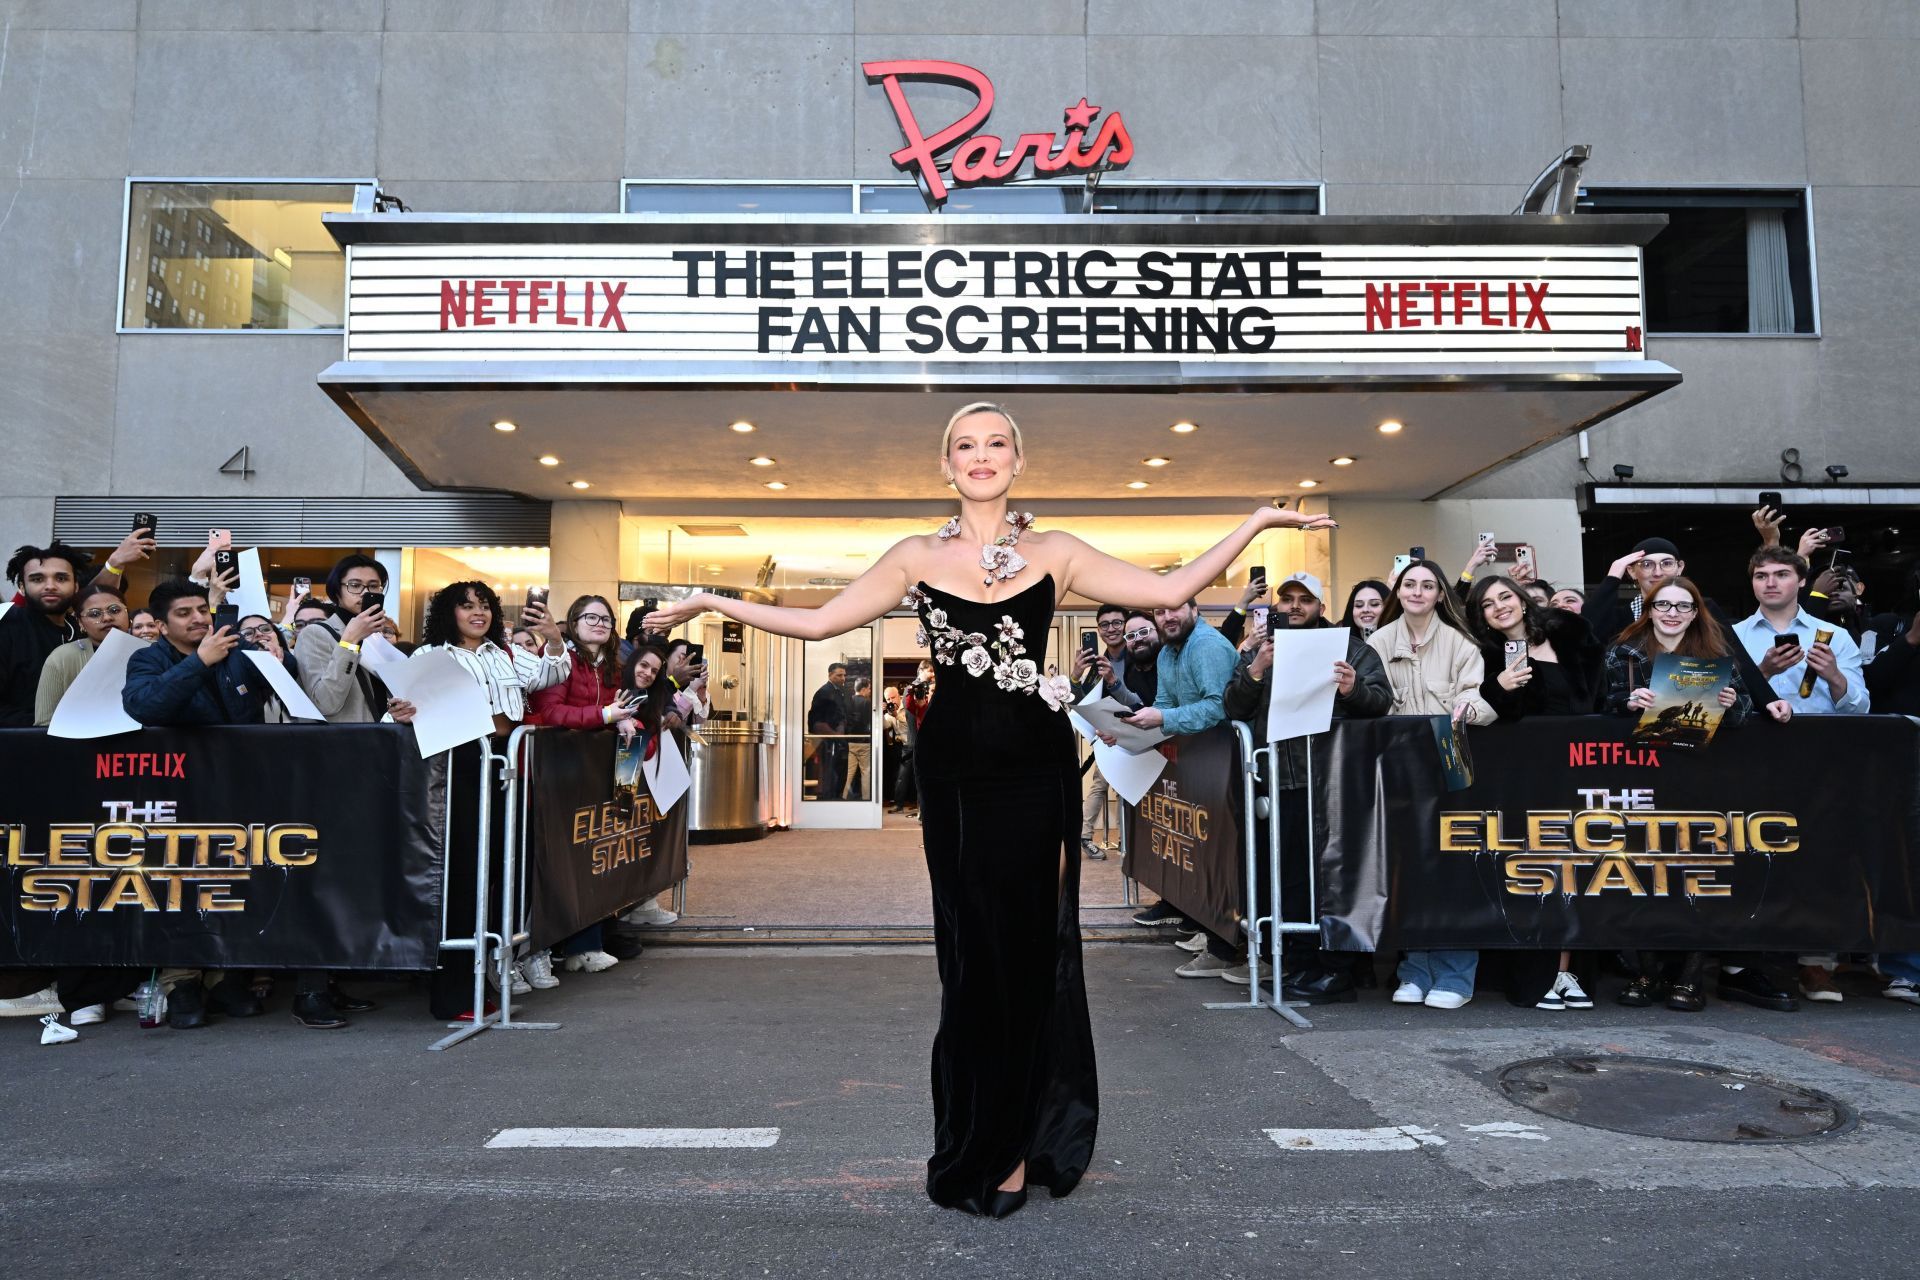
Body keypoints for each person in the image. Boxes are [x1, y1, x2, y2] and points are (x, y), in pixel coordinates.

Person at [639, 400, 1335, 1217]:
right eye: (964, 445)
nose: (980, 456)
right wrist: (715, 603)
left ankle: (1025, 1137)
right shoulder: (914, 556)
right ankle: (986, 1141)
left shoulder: (1057, 551)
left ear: (1017, 460)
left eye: (995, 443)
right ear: (946, 464)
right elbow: (820, 619)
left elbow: (1174, 587)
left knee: (1031, 948)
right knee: (974, 955)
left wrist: (1253, 522)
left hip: (1035, 769)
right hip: (957, 772)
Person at [1603, 577, 1774, 1014]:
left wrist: (1732, 701)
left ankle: (1691, 976)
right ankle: (1647, 972)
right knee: (1641, 874)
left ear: (1696, 611)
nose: (1673, 613)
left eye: (1683, 605)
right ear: (1650, 608)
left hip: (1702, 777)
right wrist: (1627, 702)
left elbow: (1742, 716)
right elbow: (1601, 705)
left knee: (1698, 875)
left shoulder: (1717, 653)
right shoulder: (1623, 651)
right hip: (1641, 775)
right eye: (1664, 604)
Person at [1221, 572, 1391, 1003]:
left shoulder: (1349, 646)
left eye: (1305, 600)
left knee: (1330, 878)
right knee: (1288, 879)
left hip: (1331, 782)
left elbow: (1380, 701)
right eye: (1288, 599)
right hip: (1278, 781)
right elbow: (1232, 707)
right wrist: (1255, 671)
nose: (1295, 606)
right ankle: (1298, 965)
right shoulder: (1262, 648)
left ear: (1320, 605)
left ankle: (1337, 971)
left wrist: (1352, 689)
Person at [119, 576, 280, 1030]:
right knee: (181, 883)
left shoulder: (237, 654)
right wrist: (198, 664)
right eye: (184, 614)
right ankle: (181, 981)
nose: (197, 619)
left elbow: (279, 697)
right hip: (179, 792)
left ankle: (225, 977)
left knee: (233, 881)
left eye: (201, 610)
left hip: (237, 788)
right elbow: (145, 706)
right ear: (163, 625)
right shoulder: (147, 658)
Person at [1731, 546, 1869, 1003]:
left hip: (1818, 761)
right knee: (1751, 857)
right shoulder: (1732, 636)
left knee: (1819, 861)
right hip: (1753, 760)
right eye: (1761, 575)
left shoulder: (1834, 635)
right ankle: (1745, 960)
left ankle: (1816, 966)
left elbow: (1860, 707)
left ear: (1799, 581)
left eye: (1781, 574)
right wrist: (1761, 674)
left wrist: (1834, 677)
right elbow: (1714, 702)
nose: (1770, 582)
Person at [1465, 574, 1608, 1011]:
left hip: (1585, 767)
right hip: (1528, 777)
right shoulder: (1486, 656)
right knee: (1540, 873)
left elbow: (1599, 692)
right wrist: (1501, 686)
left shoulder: (1571, 630)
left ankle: (1571, 972)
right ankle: (1540, 975)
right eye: (1488, 604)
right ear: (1482, 618)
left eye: (1505, 596)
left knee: (1586, 870)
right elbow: (1486, 715)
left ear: (1523, 599)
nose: (1500, 606)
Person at [1370, 560, 1496, 1010]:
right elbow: (1371, 700)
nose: (1419, 592)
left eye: (1428, 585)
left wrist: (1463, 709)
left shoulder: (1462, 643)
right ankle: (1414, 971)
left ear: (1441, 593)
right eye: (1410, 585)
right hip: (1400, 763)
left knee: (1454, 868)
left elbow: (1479, 699)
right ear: (1398, 592)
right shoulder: (1378, 642)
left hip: (1451, 756)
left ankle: (1456, 977)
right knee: (1408, 869)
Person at [526, 595, 640, 980]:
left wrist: (623, 724)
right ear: (572, 622)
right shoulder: (559, 658)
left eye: (606, 618)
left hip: (597, 771)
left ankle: (586, 944)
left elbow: (620, 709)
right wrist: (604, 716)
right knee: (561, 859)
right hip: (559, 771)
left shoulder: (614, 665)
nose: (599, 623)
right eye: (590, 617)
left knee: (597, 852)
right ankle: (551, 947)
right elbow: (550, 712)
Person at [294, 555, 395, 725]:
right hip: (343, 743)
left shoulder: (377, 637)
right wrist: (350, 641)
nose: (365, 592)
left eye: (373, 586)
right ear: (337, 591)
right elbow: (325, 703)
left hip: (381, 737)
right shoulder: (315, 634)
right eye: (355, 585)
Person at [2, 542, 90, 726]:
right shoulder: (7, 627)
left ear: (75, 586)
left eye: (61, 578)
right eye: (37, 579)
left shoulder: (83, 629)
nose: (50, 586)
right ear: (22, 587)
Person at [1070, 604, 1131, 860]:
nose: (1111, 629)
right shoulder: (1096, 664)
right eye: (1105, 625)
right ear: (1098, 630)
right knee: (1100, 784)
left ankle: (1133, 843)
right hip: (1107, 737)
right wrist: (1075, 677)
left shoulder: (1138, 656)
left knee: (1132, 790)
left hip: (1139, 732)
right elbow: (1081, 702)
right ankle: (1084, 836)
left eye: (1117, 623)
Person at [33, 584, 130, 726]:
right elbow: (45, 722)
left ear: (127, 613)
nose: (107, 618)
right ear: (80, 622)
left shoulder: (150, 651)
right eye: (95, 614)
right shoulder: (62, 658)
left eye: (115, 610)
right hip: (77, 745)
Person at [808, 662, 851, 800]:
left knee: (840, 774)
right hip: (828, 742)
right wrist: (836, 735)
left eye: (844, 675)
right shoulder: (823, 693)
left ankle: (835, 800)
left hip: (839, 740)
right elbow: (817, 722)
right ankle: (829, 801)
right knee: (829, 776)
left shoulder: (841, 692)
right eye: (839, 675)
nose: (843, 678)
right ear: (830, 675)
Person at [845, 676, 875, 800]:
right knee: (866, 773)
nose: (870, 691)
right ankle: (866, 799)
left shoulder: (848, 701)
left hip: (850, 742)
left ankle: (844, 796)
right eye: (869, 688)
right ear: (863, 689)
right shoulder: (868, 703)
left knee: (849, 773)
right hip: (864, 742)